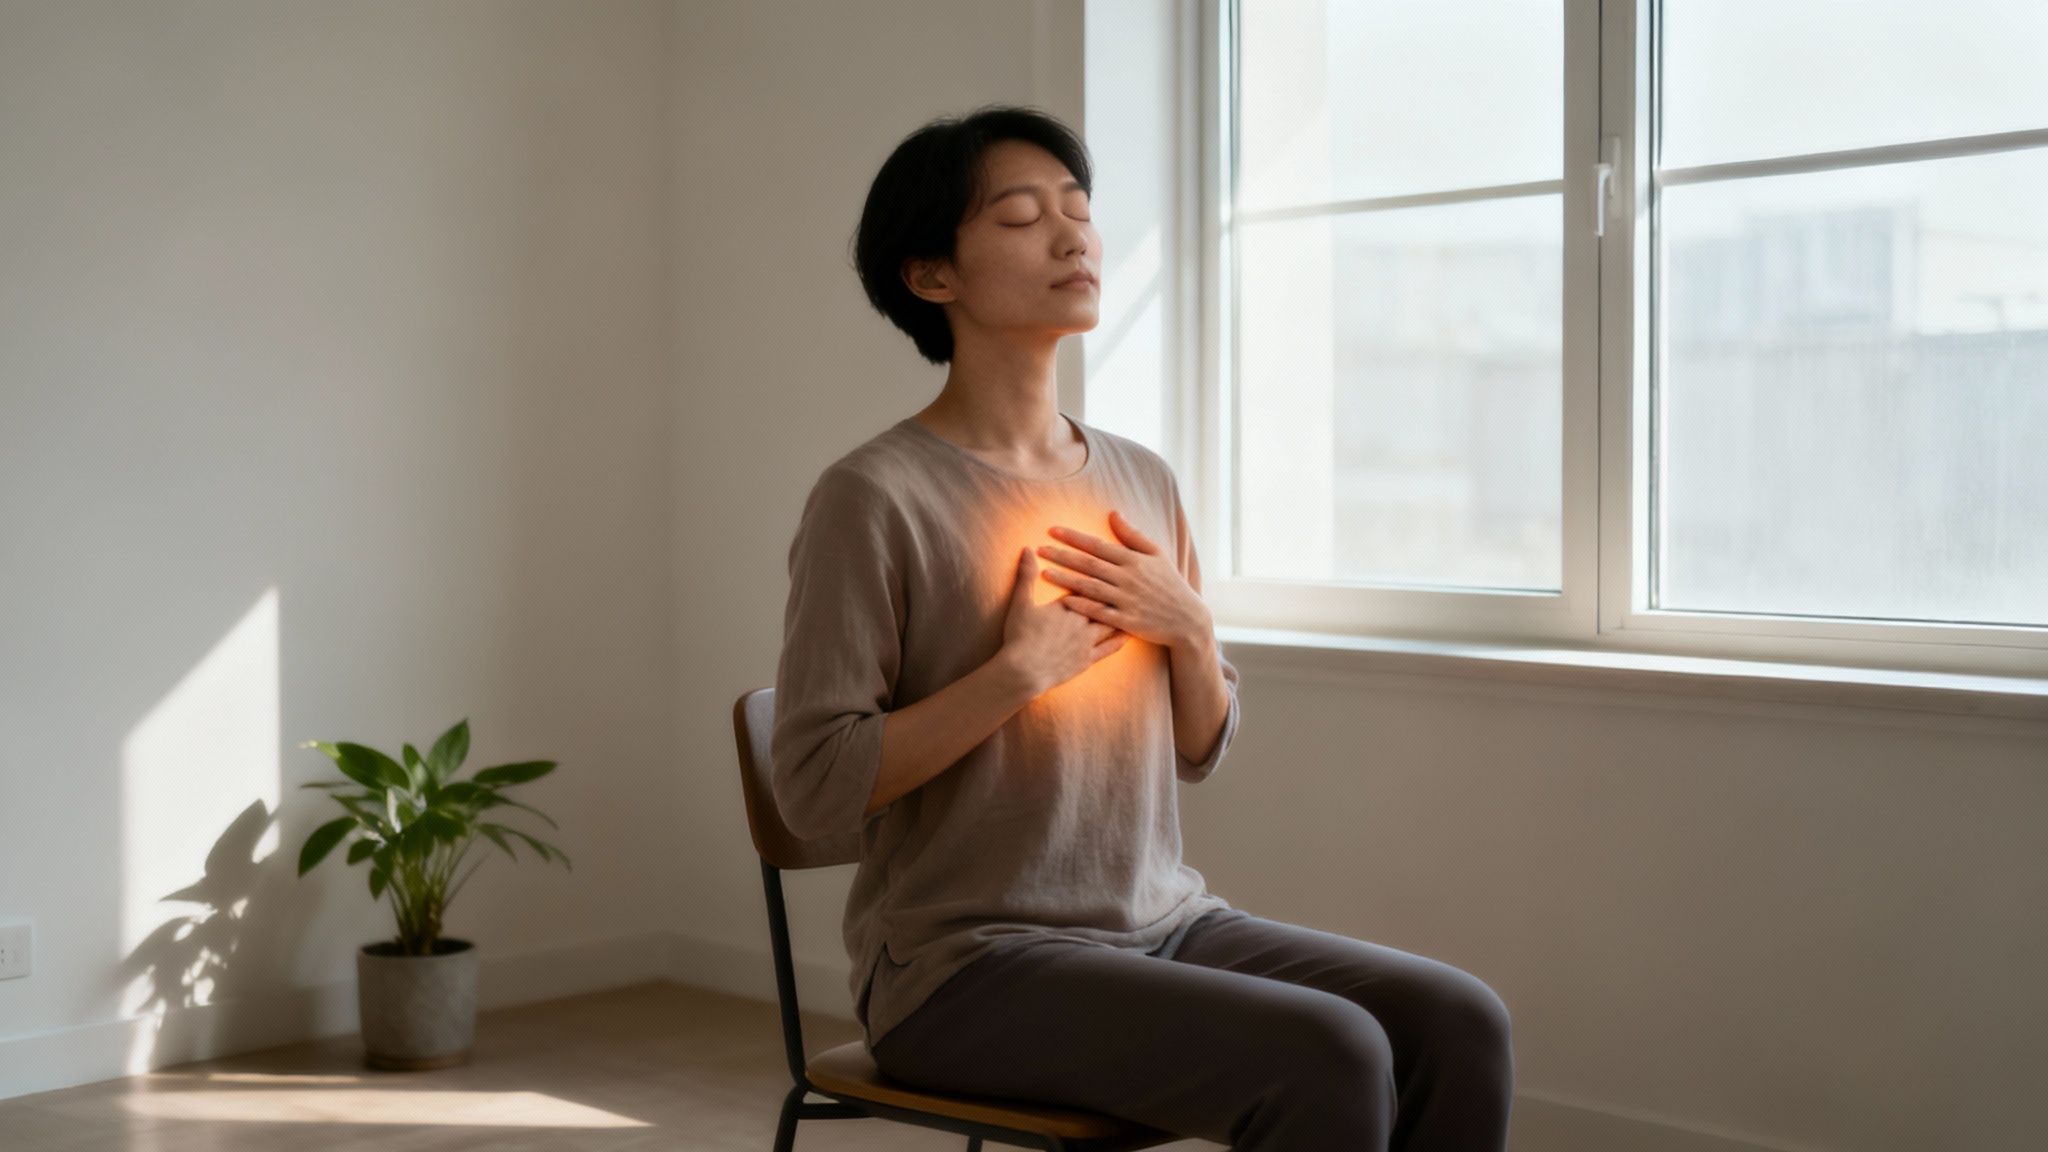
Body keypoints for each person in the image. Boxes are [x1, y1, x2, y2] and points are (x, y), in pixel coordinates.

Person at [770, 103, 1513, 1151]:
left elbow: (1198, 749)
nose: (1072, 237)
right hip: (960, 965)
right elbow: (810, 789)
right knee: (1330, 1053)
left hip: (1161, 922)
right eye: (1022, 218)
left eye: (1078, 210)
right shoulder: (873, 496)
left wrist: (1191, 633)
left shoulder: (1138, 479)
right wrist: (1015, 674)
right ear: (930, 274)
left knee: (1455, 1022)